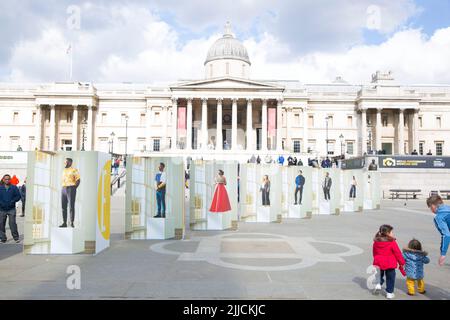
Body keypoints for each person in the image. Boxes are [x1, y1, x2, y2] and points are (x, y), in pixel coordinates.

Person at [372, 224, 405, 299]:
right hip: (389, 263)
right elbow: (397, 253)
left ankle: (378, 284)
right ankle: (389, 293)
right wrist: (402, 262)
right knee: (390, 277)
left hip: (379, 261)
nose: (392, 233)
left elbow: (374, 251)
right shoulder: (392, 242)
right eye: (391, 232)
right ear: (388, 233)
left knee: (379, 274)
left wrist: (376, 258)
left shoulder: (376, 241)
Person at [426, 195, 450, 266]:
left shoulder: (439, 217)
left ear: (433, 206)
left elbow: (446, 235)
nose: (431, 210)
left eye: (430, 208)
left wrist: (443, 254)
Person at [0, 174, 22, 243]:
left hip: (11, 209)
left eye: (8, 179)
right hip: (2, 209)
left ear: (10, 180)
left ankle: (16, 238)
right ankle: (3, 238)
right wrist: (1, 203)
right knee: (1, 224)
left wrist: (12, 201)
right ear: (3, 180)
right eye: (5, 179)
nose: (7, 180)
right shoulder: (0, 188)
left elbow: (18, 196)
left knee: (12, 223)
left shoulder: (14, 187)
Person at [60, 158, 81, 228]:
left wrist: (74, 188)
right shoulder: (63, 170)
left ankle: (72, 222)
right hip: (63, 188)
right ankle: (64, 223)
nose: (64, 163)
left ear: (70, 162)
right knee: (63, 206)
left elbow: (78, 180)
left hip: (71, 188)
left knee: (71, 206)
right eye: (64, 162)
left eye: (66, 162)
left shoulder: (74, 170)